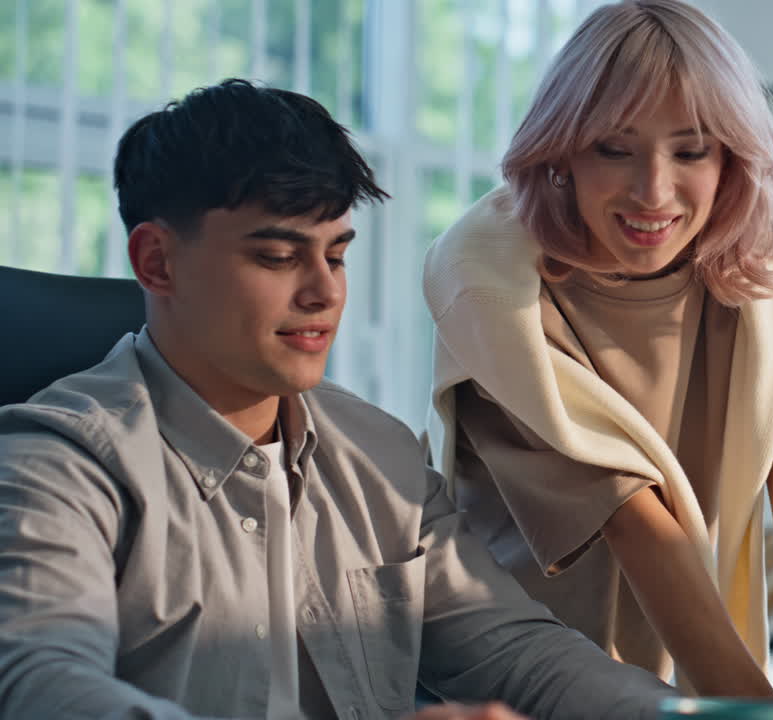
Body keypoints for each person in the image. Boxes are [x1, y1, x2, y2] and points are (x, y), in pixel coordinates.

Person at [0, 78, 687, 720]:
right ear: (156, 261)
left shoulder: (380, 455)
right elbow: (40, 682)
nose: (324, 293)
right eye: (277, 257)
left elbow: (517, 652)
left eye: (335, 254)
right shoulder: (56, 466)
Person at [424, 2, 773, 718]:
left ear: (732, 155)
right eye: (614, 148)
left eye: (692, 150)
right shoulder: (489, 284)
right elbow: (639, 527)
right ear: (562, 151)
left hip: (671, 680)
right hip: (508, 669)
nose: (654, 190)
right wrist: (769, 713)